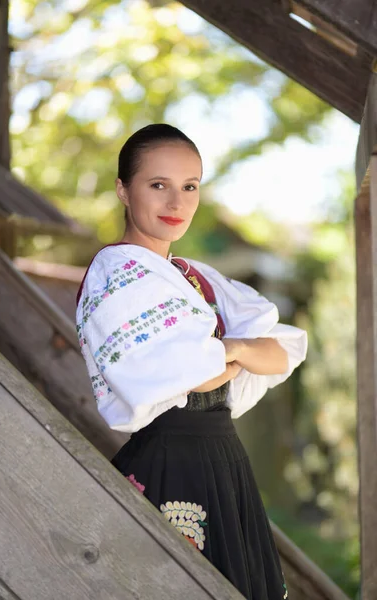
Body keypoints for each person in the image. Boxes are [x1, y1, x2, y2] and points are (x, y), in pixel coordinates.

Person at [76, 124, 307, 599]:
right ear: (123, 189)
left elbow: (284, 347)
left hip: (225, 458)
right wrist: (234, 351)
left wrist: (235, 350)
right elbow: (198, 379)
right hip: (172, 460)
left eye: (189, 187)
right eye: (157, 185)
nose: (176, 204)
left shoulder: (193, 276)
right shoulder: (115, 274)